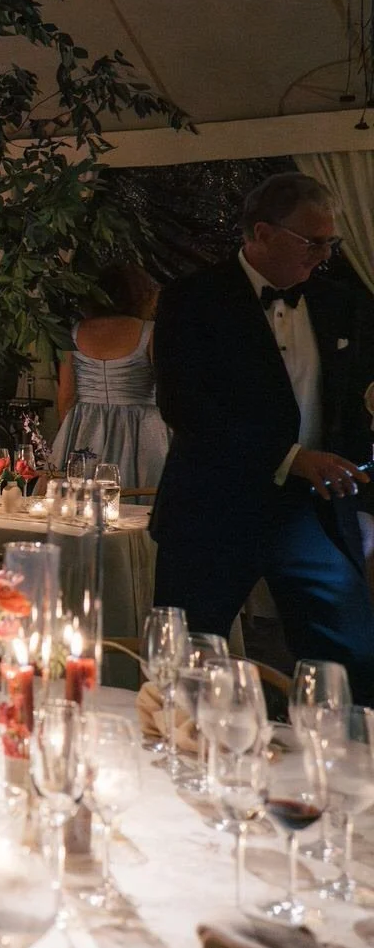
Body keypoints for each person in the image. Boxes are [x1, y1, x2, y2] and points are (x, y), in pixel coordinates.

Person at [152, 172, 374, 701]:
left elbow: (349, 399)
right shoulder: (192, 300)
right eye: (312, 241)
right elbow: (185, 407)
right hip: (213, 505)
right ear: (262, 233)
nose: (324, 254)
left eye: (331, 242)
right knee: (185, 665)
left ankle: (343, 772)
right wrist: (292, 458)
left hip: (310, 511)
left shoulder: (340, 302)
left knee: (349, 659)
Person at [53, 262, 168, 489]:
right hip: (140, 429)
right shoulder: (150, 331)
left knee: (78, 498)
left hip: (85, 424)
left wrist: (67, 435)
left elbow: (66, 396)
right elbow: (167, 387)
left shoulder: (74, 332)